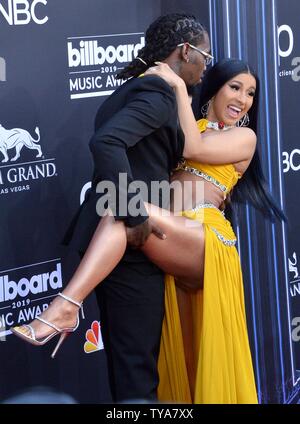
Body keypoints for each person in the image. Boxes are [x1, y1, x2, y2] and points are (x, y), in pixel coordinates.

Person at [12, 57, 285, 403]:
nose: (243, 98)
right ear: (215, 89)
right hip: (175, 237)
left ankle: (66, 307)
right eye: (235, 87)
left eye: (250, 93)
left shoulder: (243, 137)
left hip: (208, 242)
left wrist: (176, 86)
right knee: (185, 361)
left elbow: (193, 148)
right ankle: (67, 308)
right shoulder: (189, 123)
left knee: (124, 211)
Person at [11, 14, 213, 403]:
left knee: (128, 365)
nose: (207, 65)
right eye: (205, 54)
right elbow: (106, 143)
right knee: (137, 371)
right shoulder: (157, 94)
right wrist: (134, 213)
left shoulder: (135, 86)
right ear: (184, 51)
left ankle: (66, 308)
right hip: (131, 240)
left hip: (113, 240)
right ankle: (65, 309)